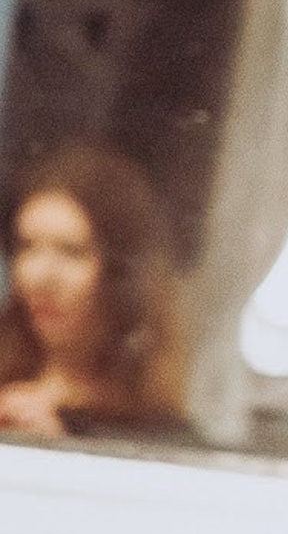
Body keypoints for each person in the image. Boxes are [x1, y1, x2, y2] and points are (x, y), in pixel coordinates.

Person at [0, 143, 192, 440]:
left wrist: (59, 453)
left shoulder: (157, 438)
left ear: (121, 275)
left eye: (71, 252)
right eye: (28, 246)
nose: (41, 275)